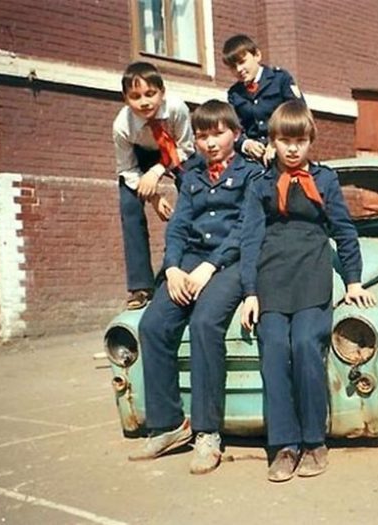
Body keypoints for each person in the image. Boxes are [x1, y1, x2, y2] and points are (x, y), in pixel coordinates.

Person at [240, 101, 376, 482]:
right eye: (285, 140)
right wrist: (249, 292)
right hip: (271, 279)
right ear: (273, 141)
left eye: (300, 140)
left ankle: (314, 440)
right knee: (273, 348)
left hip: (312, 275)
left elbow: (344, 231)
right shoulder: (260, 184)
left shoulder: (325, 180)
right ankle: (284, 445)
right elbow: (249, 240)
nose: (293, 148)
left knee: (304, 345)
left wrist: (353, 280)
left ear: (310, 140)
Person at [128, 100, 262, 476]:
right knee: (153, 325)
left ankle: (207, 432)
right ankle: (169, 425)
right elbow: (179, 227)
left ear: (236, 134)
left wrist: (209, 267)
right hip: (189, 263)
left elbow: (245, 229)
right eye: (202, 136)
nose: (210, 143)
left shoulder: (252, 174)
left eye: (218, 133)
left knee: (205, 323)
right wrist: (172, 268)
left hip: (230, 264)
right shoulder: (191, 178)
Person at [113, 61, 196, 310]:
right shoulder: (122, 126)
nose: (144, 102)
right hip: (140, 158)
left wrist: (158, 171)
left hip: (175, 151)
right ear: (125, 99)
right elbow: (126, 169)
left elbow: (186, 148)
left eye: (150, 94)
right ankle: (141, 286)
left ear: (162, 92)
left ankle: (191, 257)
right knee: (129, 204)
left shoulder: (177, 109)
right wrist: (153, 196)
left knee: (193, 186)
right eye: (135, 96)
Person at [222, 34, 304, 164]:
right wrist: (246, 144)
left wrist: (277, 142)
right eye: (233, 67)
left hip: (285, 154)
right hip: (252, 161)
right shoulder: (234, 93)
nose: (239, 69)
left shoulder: (280, 79)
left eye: (242, 62)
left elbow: (299, 114)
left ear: (257, 55)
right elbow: (233, 127)